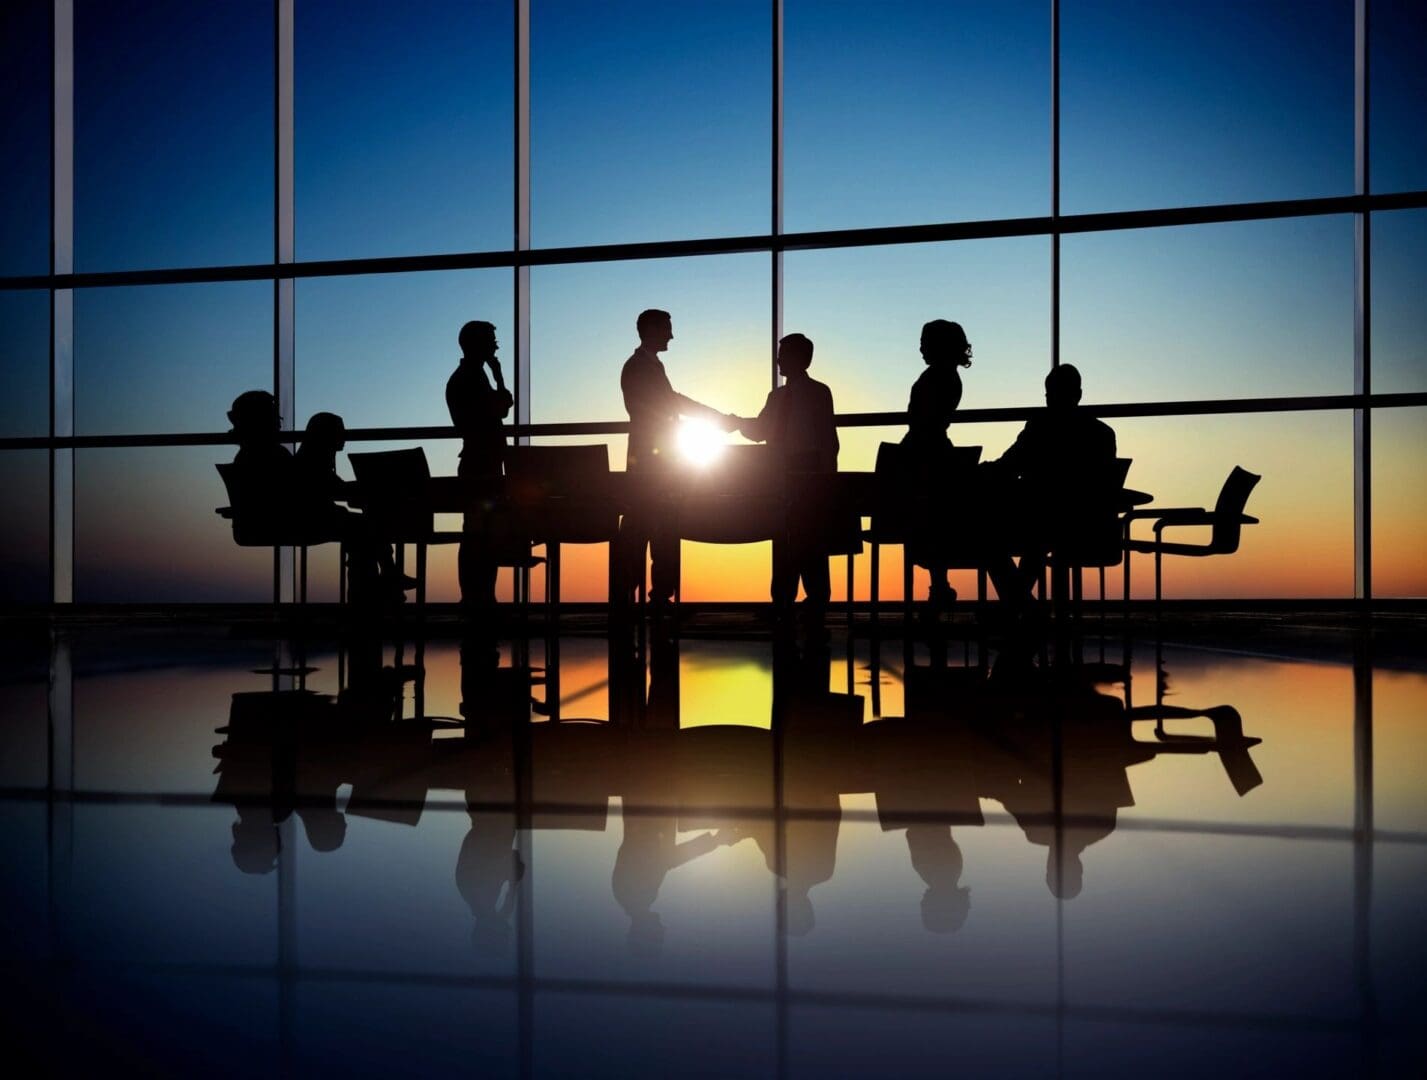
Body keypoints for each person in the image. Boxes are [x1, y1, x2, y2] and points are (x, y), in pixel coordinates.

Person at [617, 308, 736, 607]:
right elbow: (669, 404)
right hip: (652, 465)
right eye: (667, 328)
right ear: (652, 329)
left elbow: (667, 404)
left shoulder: (644, 366)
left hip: (652, 462)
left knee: (650, 528)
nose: (672, 335)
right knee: (653, 528)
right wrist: (718, 419)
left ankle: (641, 596)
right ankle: (651, 596)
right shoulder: (640, 367)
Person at [737, 333, 840, 632]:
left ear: (800, 358)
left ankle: (815, 599)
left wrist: (826, 477)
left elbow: (826, 439)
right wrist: (737, 423)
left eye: (783, 354)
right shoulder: (777, 396)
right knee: (784, 537)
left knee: (808, 538)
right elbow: (759, 431)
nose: (779, 359)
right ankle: (783, 600)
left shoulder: (819, 393)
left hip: (807, 470)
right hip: (779, 471)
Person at [989, 363, 1118, 600]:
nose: (1050, 400)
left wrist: (986, 470)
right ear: (1079, 395)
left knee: (989, 538)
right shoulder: (1102, 433)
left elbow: (1009, 464)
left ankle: (1020, 608)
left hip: (1043, 520)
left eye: (1051, 395)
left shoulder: (1039, 427)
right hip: (1091, 527)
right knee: (1037, 537)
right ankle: (1019, 609)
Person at [294, 411, 408, 602]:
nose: (345, 435)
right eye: (340, 431)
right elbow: (336, 489)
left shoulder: (309, 460)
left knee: (365, 532)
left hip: (310, 518)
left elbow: (336, 489)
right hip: (314, 520)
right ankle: (386, 580)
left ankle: (382, 584)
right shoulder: (315, 463)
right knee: (368, 529)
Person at [900, 320, 974, 612]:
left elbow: (922, 422)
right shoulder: (950, 378)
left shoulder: (935, 378)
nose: (920, 347)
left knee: (927, 518)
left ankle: (939, 587)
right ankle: (939, 586)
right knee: (935, 521)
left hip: (922, 453)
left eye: (924, 342)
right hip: (932, 451)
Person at [446, 320, 513, 609]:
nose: (496, 345)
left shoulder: (468, 376)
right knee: (479, 533)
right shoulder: (471, 378)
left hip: (480, 461)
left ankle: (479, 597)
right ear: (478, 344)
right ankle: (478, 598)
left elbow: (501, 407)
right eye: (492, 340)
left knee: (479, 531)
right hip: (480, 463)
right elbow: (501, 407)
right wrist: (499, 379)